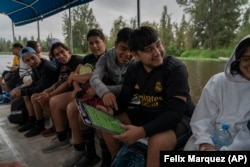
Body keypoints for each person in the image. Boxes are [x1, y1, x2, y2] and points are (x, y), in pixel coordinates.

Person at [99, 26, 195, 167]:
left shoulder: (175, 68)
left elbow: (175, 113)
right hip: (149, 112)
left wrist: (141, 132)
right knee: (107, 123)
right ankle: (117, 159)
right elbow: (124, 100)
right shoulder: (133, 70)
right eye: (148, 50)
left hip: (182, 118)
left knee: (156, 142)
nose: (157, 52)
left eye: (158, 44)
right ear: (135, 55)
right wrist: (111, 111)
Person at [63, 27, 134, 167]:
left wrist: (101, 90)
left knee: (102, 121)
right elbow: (95, 77)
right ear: (115, 45)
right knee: (83, 117)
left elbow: (129, 87)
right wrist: (104, 92)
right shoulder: (105, 57)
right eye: (123, 48)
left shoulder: (136, 61)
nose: (128, 54)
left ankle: (110, 160)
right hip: (109, 97)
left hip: (124, 99)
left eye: (131, 50)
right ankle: (90, 154)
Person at [42, 29, 106, 167]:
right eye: (91, 43)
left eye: (97, 42)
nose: (94, 46)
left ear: (104, 42)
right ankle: (79, 149)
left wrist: (75, 78)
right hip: (84, 93)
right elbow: (74, 76)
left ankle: (90, 154)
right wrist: (76, 87)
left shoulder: (108, 57)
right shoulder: (88, 58)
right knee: (67, 106)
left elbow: (92, 76)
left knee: (72, 107)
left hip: (99, 94)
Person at [184, 35, 250, 151]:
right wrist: (205, 143)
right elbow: (202, 118)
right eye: (246, 59)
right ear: (237, 59)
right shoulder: (218, 81)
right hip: (207, 140)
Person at [27, 42, 83, 139]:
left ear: (68, 50)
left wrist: (50, 95)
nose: (60, 56)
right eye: (57, 55)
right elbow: (59, 82)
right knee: (39, 98)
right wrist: (46, 92)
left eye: (62, 52)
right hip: (65, 92)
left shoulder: (77, 61)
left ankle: (62, 135)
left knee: (53, 100)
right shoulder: (62, 65)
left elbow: (66, 84)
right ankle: (61, 128)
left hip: (77, 91)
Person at [11, 47, 59, 137]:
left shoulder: (47, 67)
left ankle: (39, 124)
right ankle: (32, 120)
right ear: (25, 63)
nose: (31, 62)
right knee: (26, 95)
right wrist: (21, 90)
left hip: (55, 90)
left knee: (34, 97)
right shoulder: (35, 66)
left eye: (33, 58)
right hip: (46, 89)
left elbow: (41, 87)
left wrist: (22, 92)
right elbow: (35, 83)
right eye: (28, 61)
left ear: (37, 55)